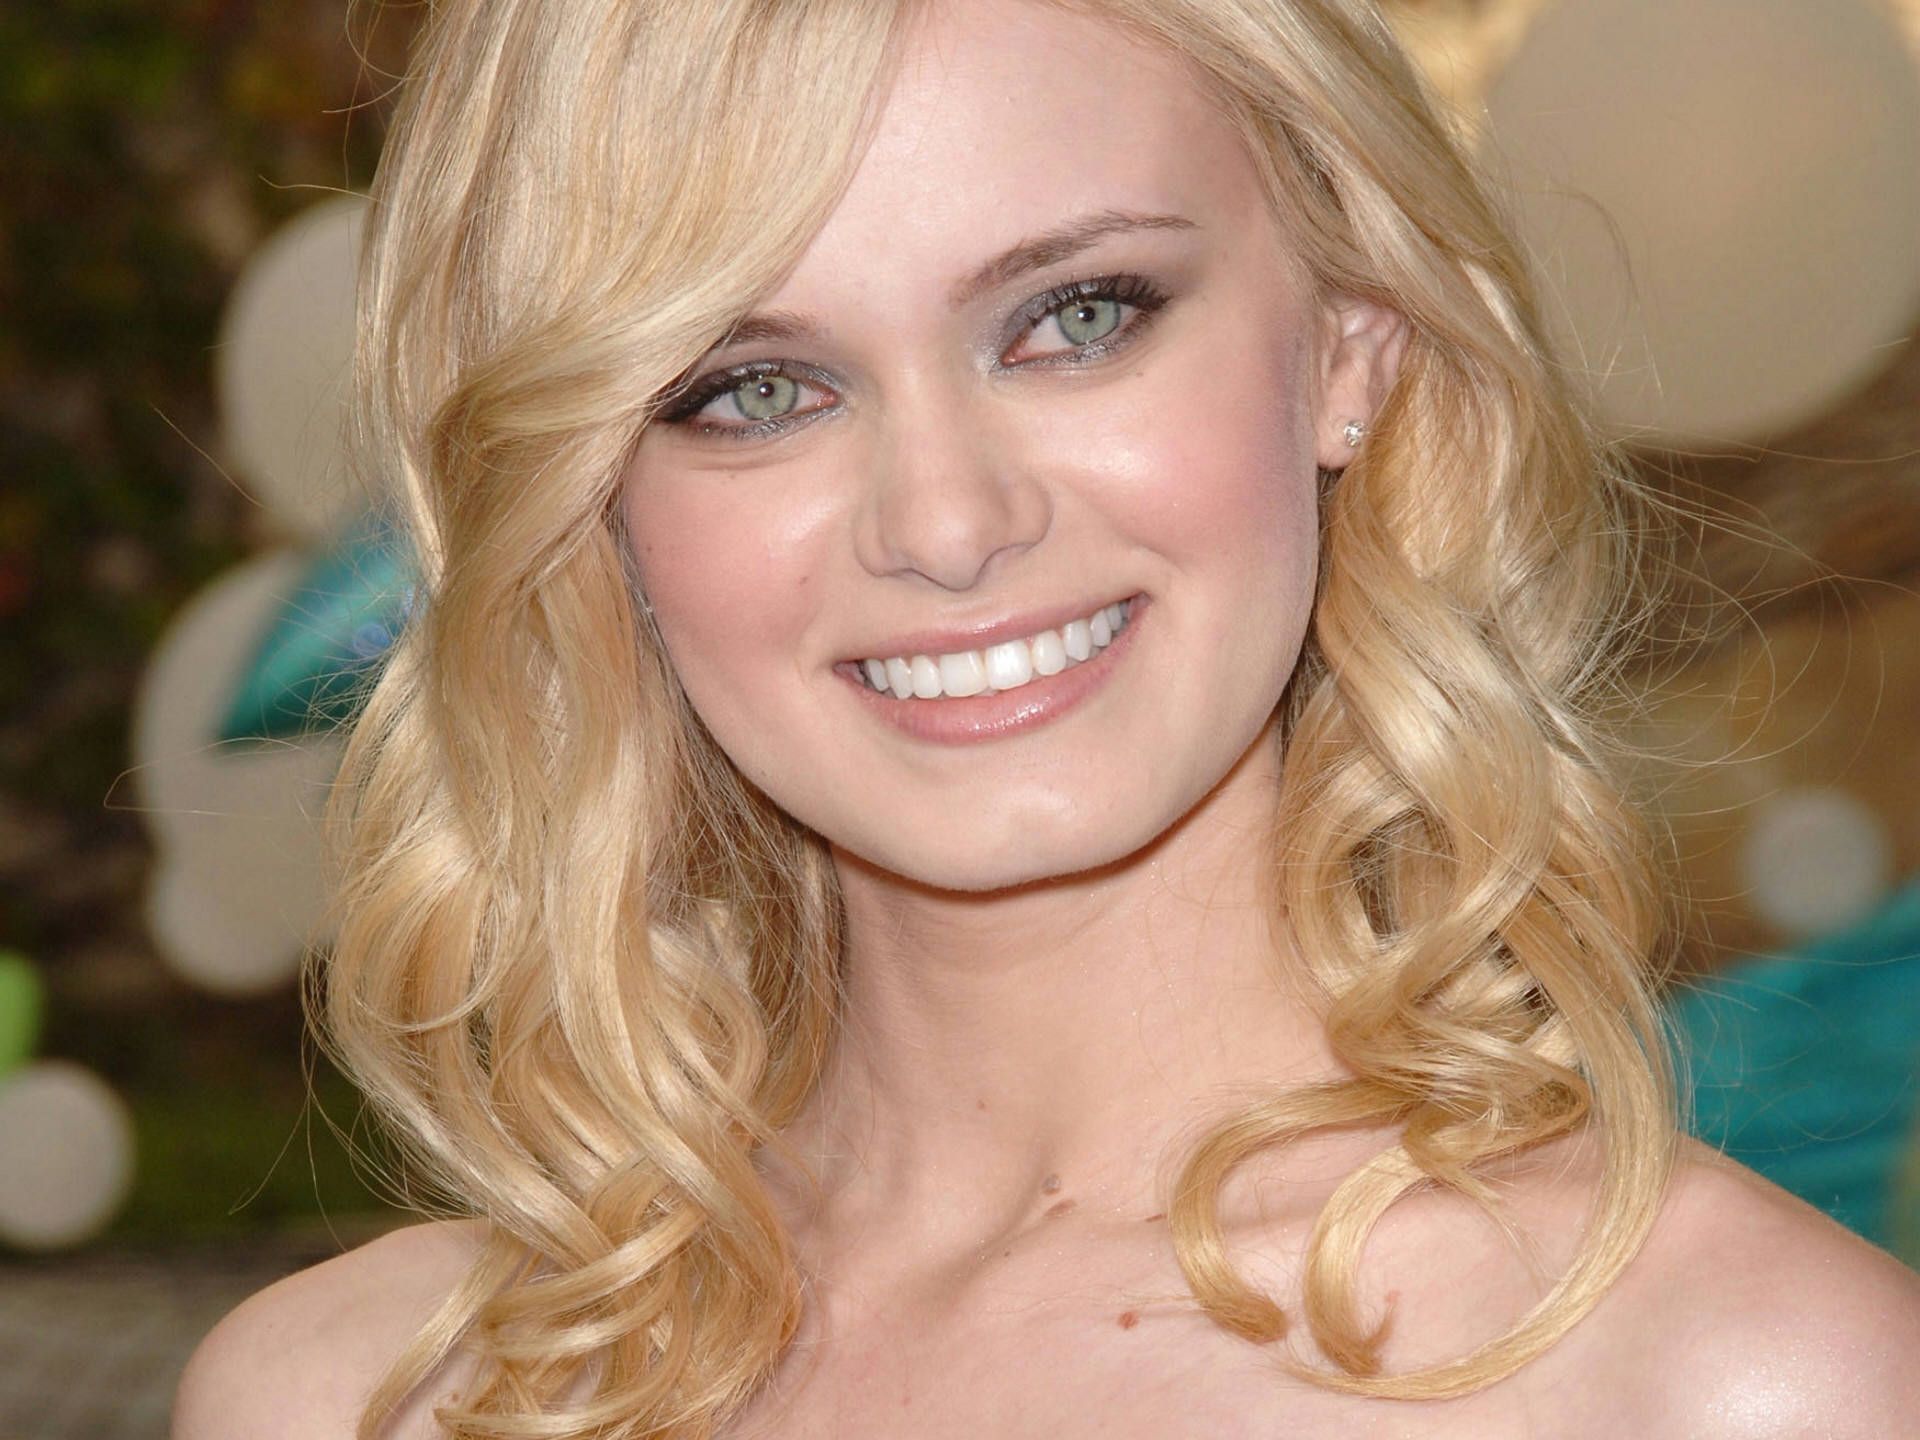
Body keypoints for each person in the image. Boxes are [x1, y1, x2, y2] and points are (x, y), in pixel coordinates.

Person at [174, 0, 1920, 1435]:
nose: (946, 522)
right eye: (754, 390)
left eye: (1077, 319)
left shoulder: (1741, 1382)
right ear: (593, 508)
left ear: (1351, 345)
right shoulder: (355, 1400)